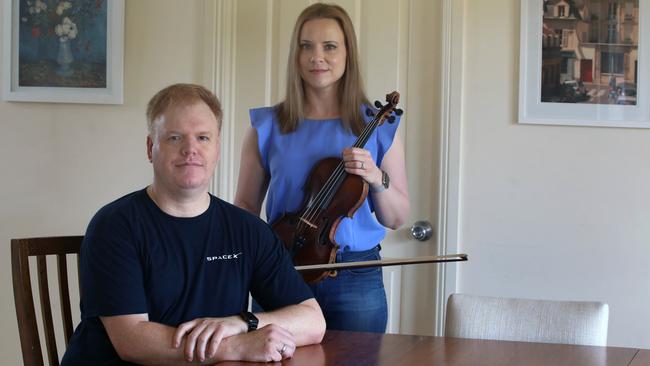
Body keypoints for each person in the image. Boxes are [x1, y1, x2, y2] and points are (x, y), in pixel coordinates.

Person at [61, 83, 325, 365]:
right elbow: (132, 340)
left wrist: (242, 322)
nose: (190, 149)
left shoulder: (246, 229)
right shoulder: (114, 226)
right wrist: (233, 347)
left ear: (217, 149)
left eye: (203, 138)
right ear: (151, 148)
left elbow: (312, 321)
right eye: (175, 138)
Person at [234, 3, 409, 333]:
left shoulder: (378, 125)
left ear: (347, 54)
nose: (317, 57)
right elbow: (244, 208)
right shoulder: (267, 125)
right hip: (283, 269)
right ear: (296, 55)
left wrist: (375, 178)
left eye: (330, 46)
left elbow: (396, 218)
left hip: (355, 274)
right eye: (306, 46)